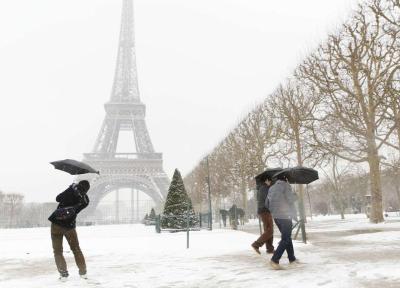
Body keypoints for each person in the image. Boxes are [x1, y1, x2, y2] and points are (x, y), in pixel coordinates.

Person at [48, 180, 90, 281]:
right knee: (76, 249)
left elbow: (58, 198)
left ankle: (63, 275)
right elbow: (77, 209)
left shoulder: (71, 191)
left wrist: (70, 188)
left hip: (56, 224)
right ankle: (83, 273)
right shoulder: (85, 200)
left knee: (57, 251)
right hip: (69, 226)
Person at [266, 175, 298, 270]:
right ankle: (275, 260)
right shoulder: (286, 186)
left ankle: (292, 259)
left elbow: (266, 204)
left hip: (276, 217)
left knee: (286, 237)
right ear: (285, 179)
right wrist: (295, 195)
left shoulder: (271, 188)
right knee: (285, 239)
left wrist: (274, 211)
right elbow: (290, 199)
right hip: (285, 216)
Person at [251, 177, 274, 254]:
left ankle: (270, 248)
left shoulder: (261, 188)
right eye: (270, 180)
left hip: (264, 210)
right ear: (266, 180)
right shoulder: (264, 188)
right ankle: (256, 244)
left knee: (268, 230)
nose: (270, 182)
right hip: (265, 210)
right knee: (270, 230)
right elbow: (268, 199)